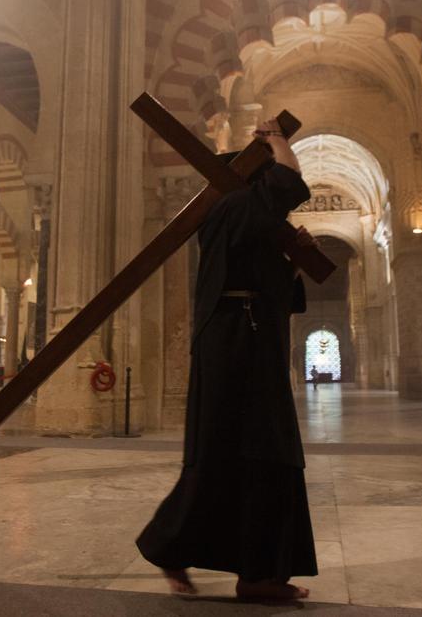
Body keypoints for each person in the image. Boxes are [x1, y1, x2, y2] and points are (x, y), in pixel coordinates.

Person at [137, 117, 317, 600]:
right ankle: (176, 548)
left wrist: (292, 262)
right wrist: (277, 139)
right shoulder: (232, 204)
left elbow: (267, 284)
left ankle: (258, 573)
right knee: (228, 452)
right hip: (235, 342)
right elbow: (290, 182)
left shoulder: (245, 216)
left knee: (266, 454)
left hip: (249, 341)